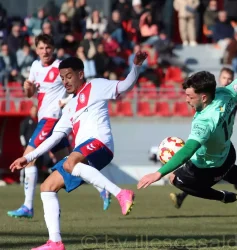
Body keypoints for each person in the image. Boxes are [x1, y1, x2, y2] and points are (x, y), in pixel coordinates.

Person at [138, 29, 237, 217]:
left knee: (175, 179)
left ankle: (222, 196)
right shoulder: (228, 92)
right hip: (228, 155)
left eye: (189, 96)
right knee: (226, 166)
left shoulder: (204, 122)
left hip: (208, 169)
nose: (186, 100)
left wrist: (157, 174)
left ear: (203, 97)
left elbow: (186, 151)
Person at [9, 51, 148, 250]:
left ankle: (121, 193)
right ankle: (55, 242)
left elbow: (125, 85)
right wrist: (29, 156)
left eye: (68, 76)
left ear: (80, 74)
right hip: (83, 152)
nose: (65, 81)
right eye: (62, 78)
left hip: (101, 143)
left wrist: (136, 66)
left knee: (70, 162)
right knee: (47, 188)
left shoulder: (97, 85)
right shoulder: (70, 106)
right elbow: (55, 136)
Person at [7, 34, 111, 219]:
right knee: (72, 163)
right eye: (41, 48)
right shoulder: (35, 66)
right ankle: (103, 188)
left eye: (48, 48)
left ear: (53, 48)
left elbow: (76, 88)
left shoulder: (61, 68)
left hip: (52, 119)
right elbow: (30, 94)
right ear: (36, 49)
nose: (44, 51)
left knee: (29, 157)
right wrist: (27, 87)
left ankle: (28, 206)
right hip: (44, 119)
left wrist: (65, 102)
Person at [169, 67, 237, 208]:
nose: (227, 80)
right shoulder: (216, 96)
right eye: (224, 78)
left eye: (230, 78)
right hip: (211, 142)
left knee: (195, 173)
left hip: (218, 142)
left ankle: (230, 185)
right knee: (197, 172)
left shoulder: (233, 97)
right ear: (220, 79)